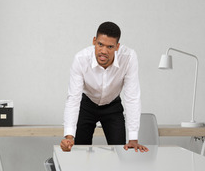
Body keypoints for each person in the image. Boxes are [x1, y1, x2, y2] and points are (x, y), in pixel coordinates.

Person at [60, 21, 148, 152]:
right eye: (100, 44)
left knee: (120, 152)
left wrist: (133, 139)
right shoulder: (81, 59)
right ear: (94, 41)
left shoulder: (129, 58)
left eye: (110, 47)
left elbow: (132, 97)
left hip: (112, 106)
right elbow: (73, 98)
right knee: (80, 152)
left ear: (117, 47)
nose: (103, 51)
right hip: (87, 105)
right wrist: (69, 136)